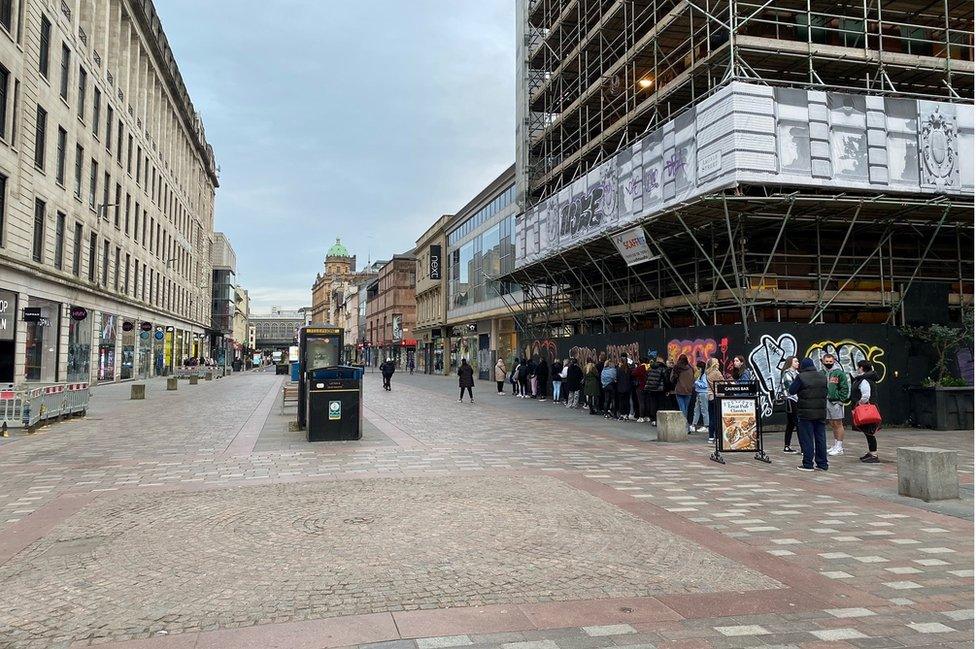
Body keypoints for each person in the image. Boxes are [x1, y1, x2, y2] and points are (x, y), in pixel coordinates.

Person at [789, 358, 829, 472]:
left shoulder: (801, 377)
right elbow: (826, 392)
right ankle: (822, 464)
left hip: (805, 413)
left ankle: (808, 464)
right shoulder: (822, 376)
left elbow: (792, 390)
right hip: (821, 412)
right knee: (821, 438)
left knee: (807, 439)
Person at [851, 360, 880, 463]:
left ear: (862, 368)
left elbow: (866, 395)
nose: (857, 369)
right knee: (868, 432)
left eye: (858, 367)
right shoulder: (865, 379)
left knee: (870, 432)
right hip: (869, 408)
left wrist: (859, 403)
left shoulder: (864, 380)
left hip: (867, 409)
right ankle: (871, 452)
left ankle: (874, 454)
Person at [824, 353, 851, 456]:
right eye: (827, 361)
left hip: (836, 402)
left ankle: (839, 447)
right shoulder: (822, 373)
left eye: (830, 361)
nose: (828, 363)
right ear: (823, 361)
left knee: (838, 423)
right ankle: (835, 444)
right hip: (826, 401)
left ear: (834, 361)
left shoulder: (839, 373)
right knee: (832, 423)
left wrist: (840, 400)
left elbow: (845, 388)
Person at [781, 356, 800, 454]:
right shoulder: (787, 374)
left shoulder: (797, 373)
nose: (798, 363)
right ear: (790, 363)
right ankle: (803, 447)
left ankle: (787, 446)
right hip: (792, 401)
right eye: (795, 361)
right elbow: (791, 389)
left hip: (794, 400)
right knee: (798, 424)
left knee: (791, 424)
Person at [671, 354, 695, 429]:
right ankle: (685, 426)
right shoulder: (691, 368)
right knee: (686, 409)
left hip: (679, 390)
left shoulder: (676, 368)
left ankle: (685, 427)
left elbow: (671, 379)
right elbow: (693, 379)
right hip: (689, 390)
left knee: (682, 409)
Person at [643, 353, 667, 426]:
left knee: (653, 404)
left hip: (651, 389)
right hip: (660, 389)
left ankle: (653, 419)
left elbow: (647, 377)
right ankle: (660, 420)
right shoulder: (663, 368)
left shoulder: (651, 367)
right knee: (660, 405)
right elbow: (665, 379)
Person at [704, 357, 724, 444]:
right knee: (718, 417)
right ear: (714, 364)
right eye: (717, 363)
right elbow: (723, 383)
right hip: (717, 396)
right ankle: (718, 437)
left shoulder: (707, 373)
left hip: (710, 397)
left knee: (711, 417)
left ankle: (711, 437)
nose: (719, 364)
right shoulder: (717, 373)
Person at [691, 361, 710, 433]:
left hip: (703, 393)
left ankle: (706, 426)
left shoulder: (704, 375)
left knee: (704, 410)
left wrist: (696, 382)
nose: (696, 369)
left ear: (700, 368)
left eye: (697, 367)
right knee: (697, 410)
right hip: (699, 393)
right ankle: (693, 425)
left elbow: (705, 385)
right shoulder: (700, 375)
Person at [615, 355, 633, 420]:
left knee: (621, 401)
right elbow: (631, 378)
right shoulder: (629, 369)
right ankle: (627, 414)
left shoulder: (619, 369)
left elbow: (617, 378)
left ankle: (622, 414)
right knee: (627, 401)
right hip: (628, 388)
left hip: (620, 388)